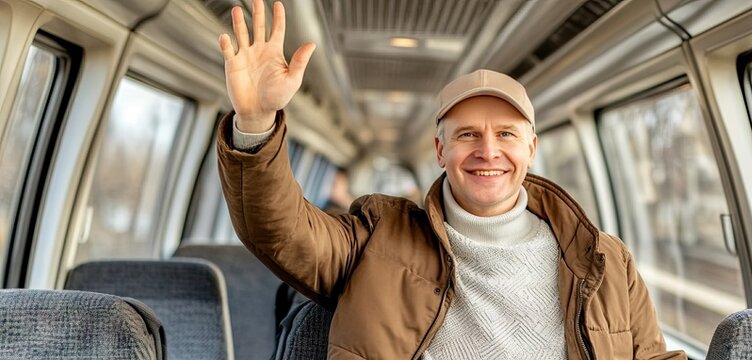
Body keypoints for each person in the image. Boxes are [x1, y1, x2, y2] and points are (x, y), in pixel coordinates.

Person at [215, 0, 686, 359]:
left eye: (506, 134)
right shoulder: (377, 235)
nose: (488, 151)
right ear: (441, 151)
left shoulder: (606, 261)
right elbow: (279, 231)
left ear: (531, 149)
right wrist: (255, 122)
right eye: (468, 135)